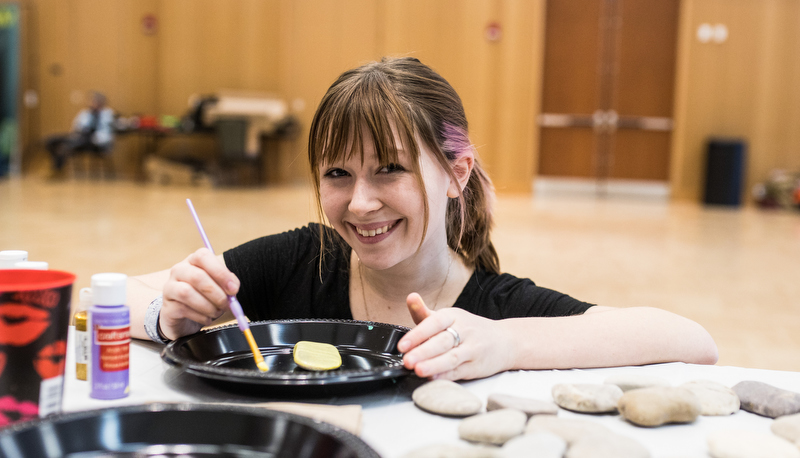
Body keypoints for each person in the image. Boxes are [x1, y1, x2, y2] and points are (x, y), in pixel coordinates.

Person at [128, 57, 718, 381]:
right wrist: (166, 313)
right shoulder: (300, 259)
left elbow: (692, 342)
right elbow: (106, 296)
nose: (360, 203)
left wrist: (506, 342)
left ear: (457, 173)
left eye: (389, 170)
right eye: (337, 175)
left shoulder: (491, 308)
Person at [45, 91, 115, 178]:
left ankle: (57, 170)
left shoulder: (108, 115)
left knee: (66, 147)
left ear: (100, 102)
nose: (91, 103)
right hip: (80, 138)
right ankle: (57, 167)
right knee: (51, 141)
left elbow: (108, 134)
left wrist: (95, 138)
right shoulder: (85, 113)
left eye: (94, 101)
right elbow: (76, 127)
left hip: (95, 143)